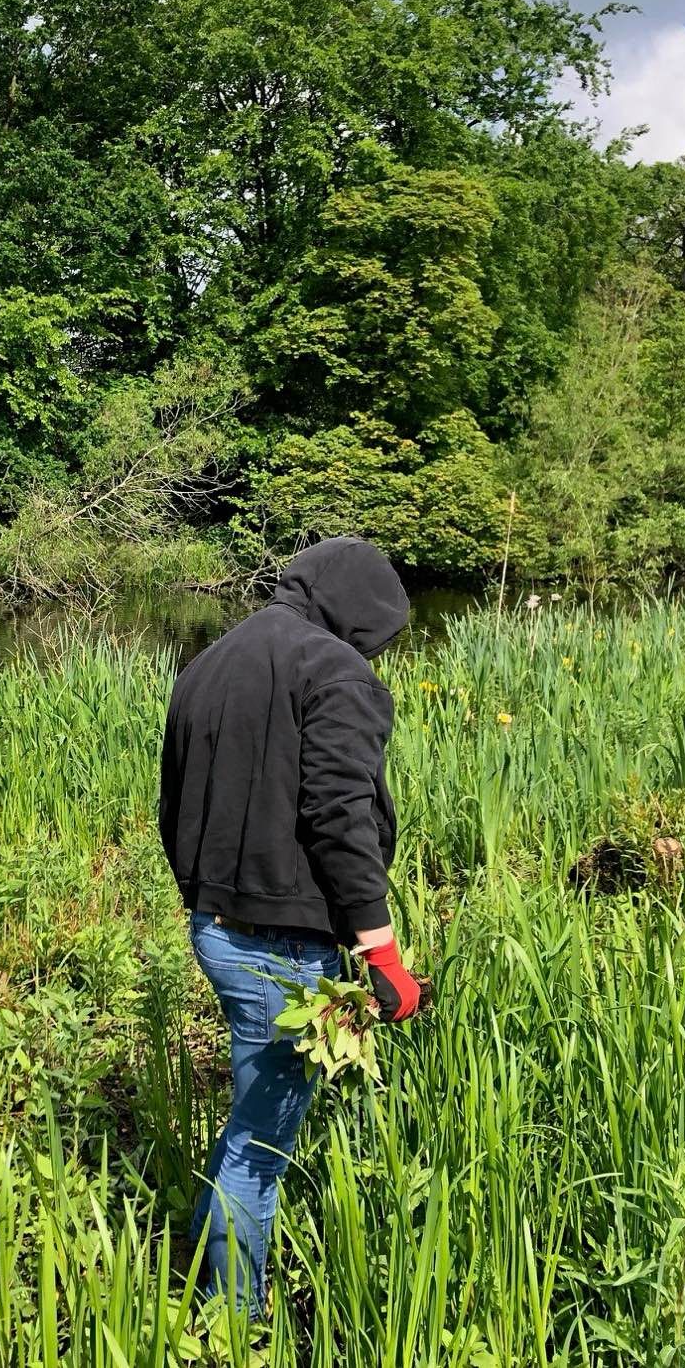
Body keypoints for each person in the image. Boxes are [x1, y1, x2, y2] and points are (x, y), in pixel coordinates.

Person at [158, 535, 429, 1314]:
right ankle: (234, 1322)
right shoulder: (335, 671)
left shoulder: (208, 663)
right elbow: (339, 814)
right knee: (261, 1147)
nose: (372, 652)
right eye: (378, 637)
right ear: (360, 614)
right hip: (279, 945)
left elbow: (173, 803)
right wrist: (382, 950)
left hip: (215, 925)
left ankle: (206, 1279)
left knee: (249, 1119)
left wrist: (201, 894)